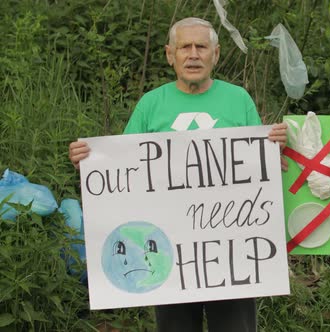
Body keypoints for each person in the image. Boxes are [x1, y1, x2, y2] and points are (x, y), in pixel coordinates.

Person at [69, 17, 287, 332]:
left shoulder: (239, 100)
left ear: (216, 53)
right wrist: (90, 162)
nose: (193, 54)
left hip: (231, 250)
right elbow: (123, 172)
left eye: (202, 47)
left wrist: (275, 153)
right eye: (185, 47)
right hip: (169, 249)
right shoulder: (150, 105)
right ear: (170, 54)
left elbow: (260, 168)